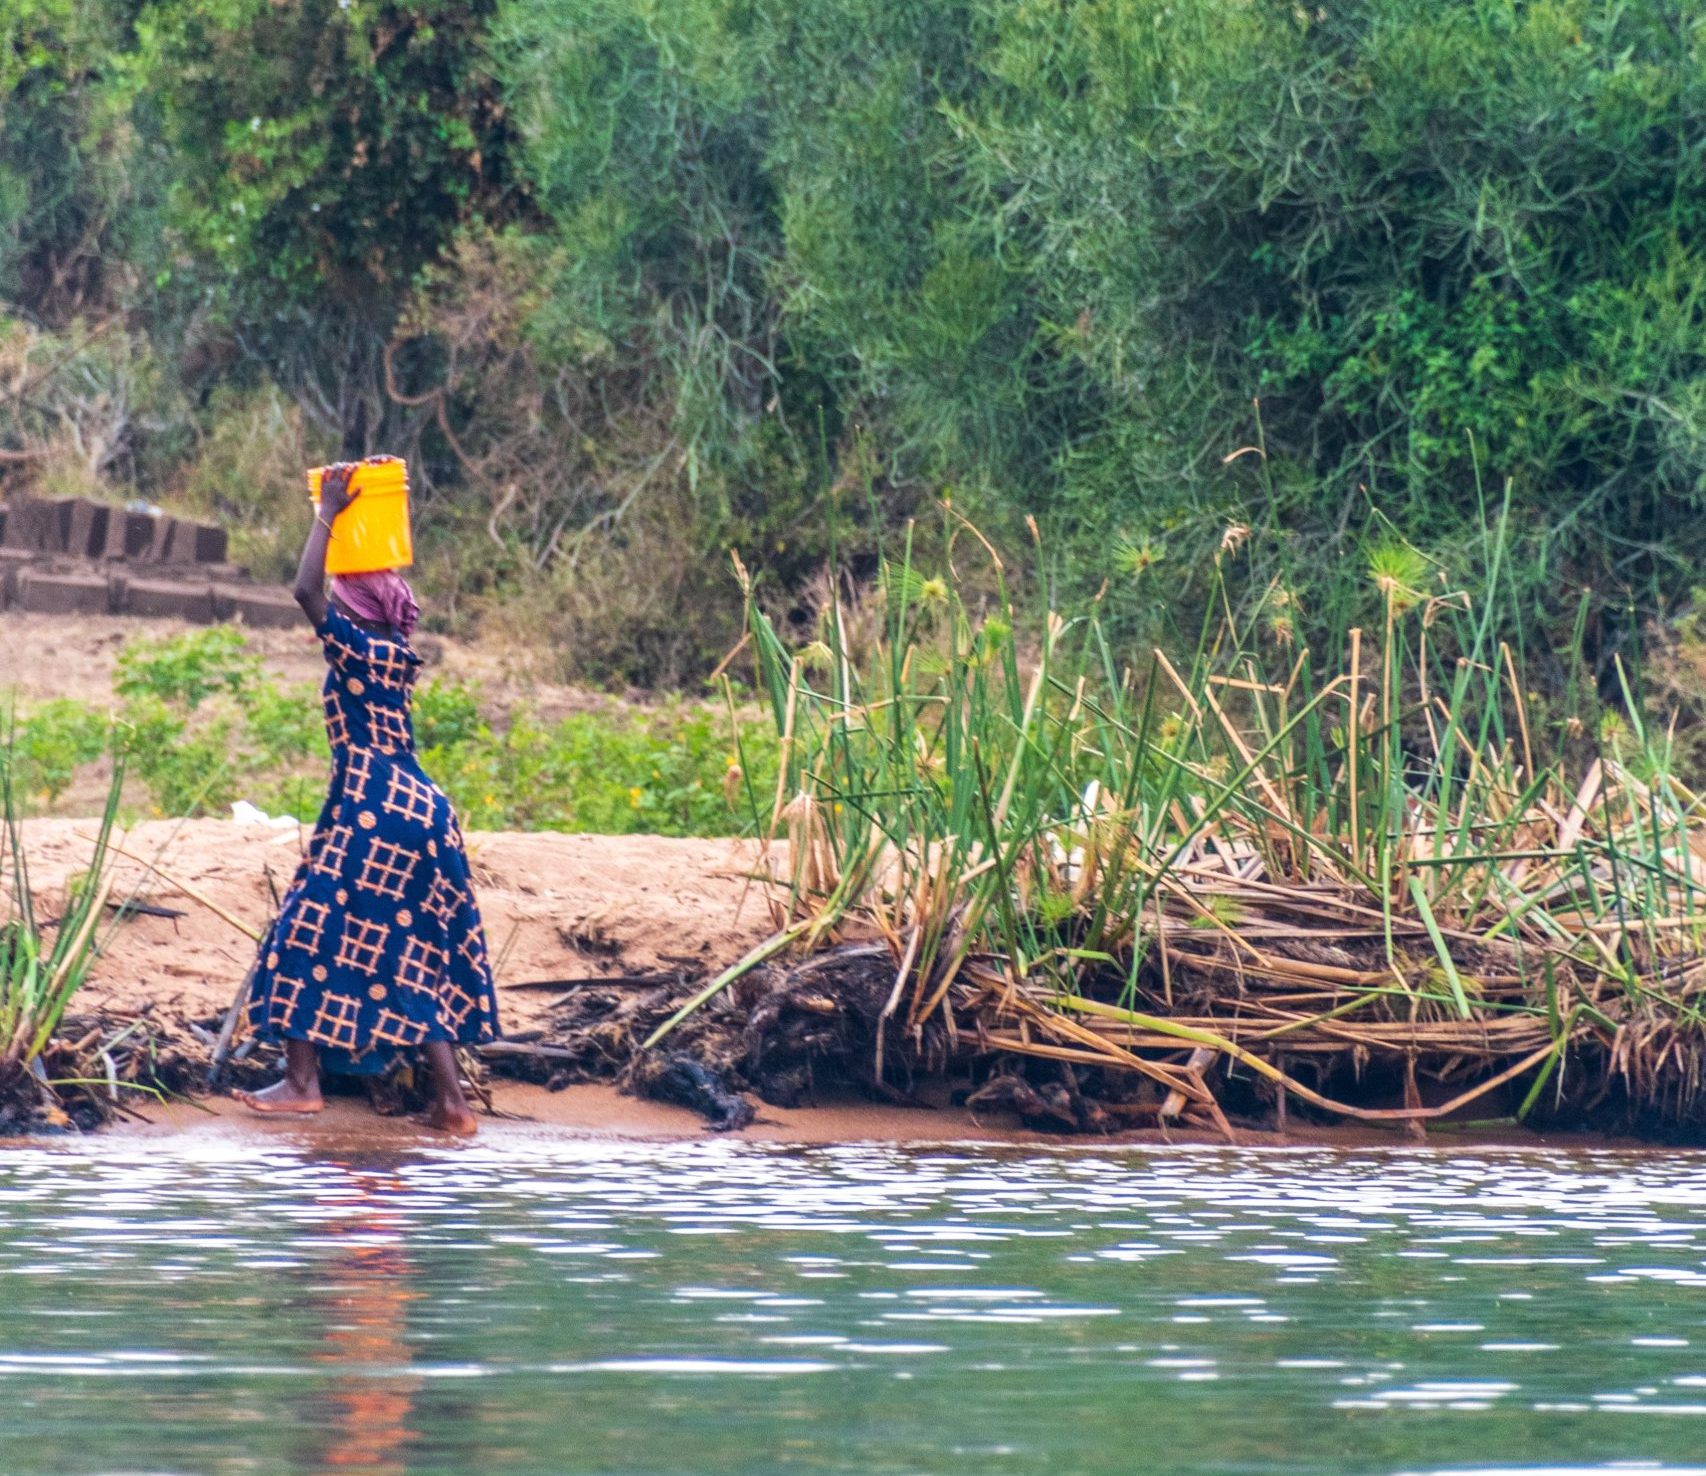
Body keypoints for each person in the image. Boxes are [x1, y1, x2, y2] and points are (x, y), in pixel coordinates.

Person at [236, 460, 499, 1135]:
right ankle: (451, 1103)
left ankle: (301, 1083)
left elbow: (301, 588)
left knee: (300, 931)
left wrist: (326, 510)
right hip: (424, 808)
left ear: (353, 610)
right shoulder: (397, 652)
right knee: (409, 952)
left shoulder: (355, 649)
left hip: (373, 807)